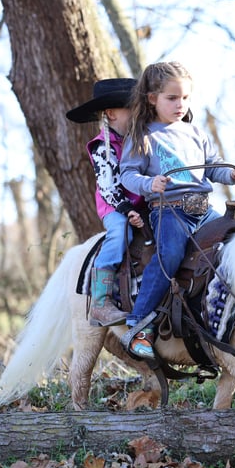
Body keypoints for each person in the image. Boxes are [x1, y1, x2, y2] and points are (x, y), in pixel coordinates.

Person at [119, 61, 235, 359]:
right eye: (172, 98)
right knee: (170, 255)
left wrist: (232, 175)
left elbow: (212, 167)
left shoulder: (195, 132)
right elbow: (127, 174)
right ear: (153, 98)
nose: (180, 104)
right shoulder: (143, 136)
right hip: (170, 211)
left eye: (185, 98)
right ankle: (139, 325)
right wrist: (150, 183)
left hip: (204, 210)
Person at [66, 78, 146, 327]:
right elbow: (107, 187)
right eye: (132, 109)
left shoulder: (137, 141)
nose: (139, 114)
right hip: (115, 206)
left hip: (141, 203)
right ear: (111, 113)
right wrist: (127, 209)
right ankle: (100, 301)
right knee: (121, 233)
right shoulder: (102, 147)